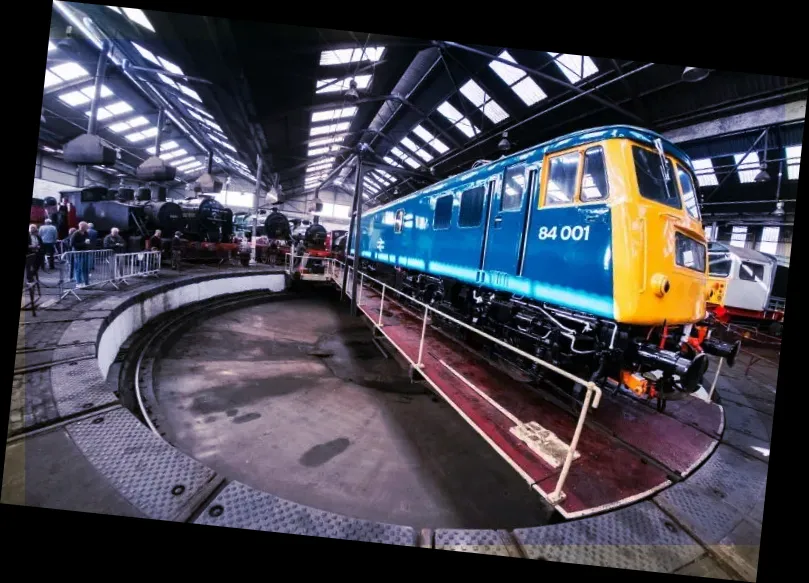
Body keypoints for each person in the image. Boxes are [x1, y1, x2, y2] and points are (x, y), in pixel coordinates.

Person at [70, 222, 90, 288]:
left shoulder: (86, 233)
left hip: (85, 252)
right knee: (78, 268)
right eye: (86, 226)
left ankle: (86, 282)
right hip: (78, 253)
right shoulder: (76, 234)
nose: (87, 228)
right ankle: (78, 283)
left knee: (85, 268)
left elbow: (87, 241)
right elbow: (72, 244)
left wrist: (87, 244)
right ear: (82, 227)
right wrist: (83, 244)